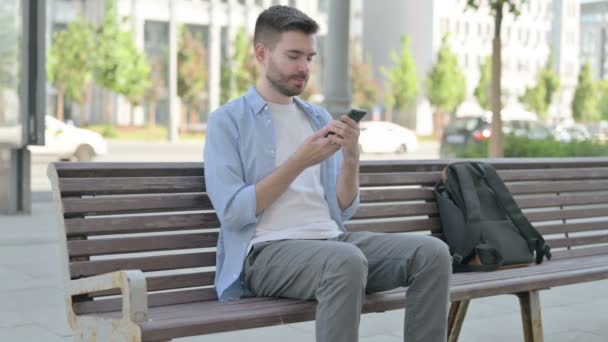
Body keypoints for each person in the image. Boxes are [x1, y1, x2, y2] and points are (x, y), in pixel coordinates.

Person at [204, 5, 452, 342]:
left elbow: (344, 208)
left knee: (432, 254)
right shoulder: (228, 120)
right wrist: (299, 161)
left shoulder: (318, 118)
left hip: (331, 241)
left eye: (310, 57)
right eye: (294, 56)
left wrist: (351, 157)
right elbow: (233, 213)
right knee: (344, 261)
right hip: (265, 252)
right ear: (261, 54)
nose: (304, 67)